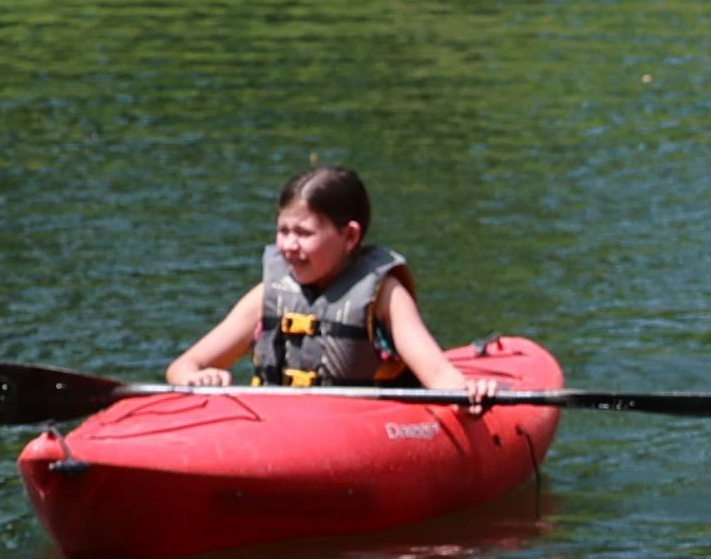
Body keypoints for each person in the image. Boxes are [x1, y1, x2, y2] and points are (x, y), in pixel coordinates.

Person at [161, 162, 493, 399]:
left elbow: (436, 374)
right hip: (277, 426)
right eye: (283, 231)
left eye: (304, 233)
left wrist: (468, 391)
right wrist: (197, 376)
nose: (289, 246)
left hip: (359, 428)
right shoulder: (270, 294)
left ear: (349, 236)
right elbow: (183, 366)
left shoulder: (385, 296)